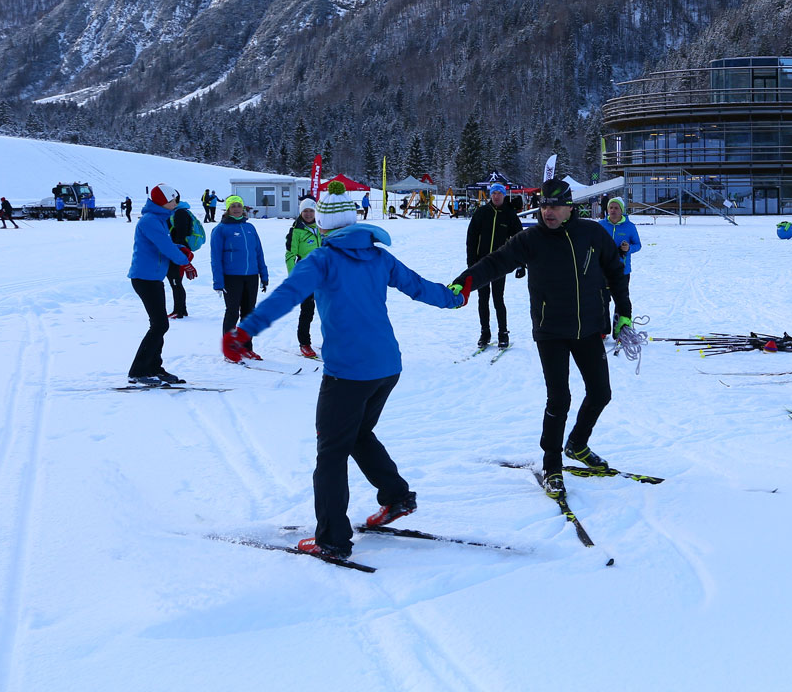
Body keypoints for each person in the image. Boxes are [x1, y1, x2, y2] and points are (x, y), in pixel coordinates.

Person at [222, 184, 465, 560]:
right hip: (387, 367)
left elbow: (286, 296)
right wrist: (453, 297)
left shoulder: (322, 259)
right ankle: (397, 497)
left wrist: (244, 331)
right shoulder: (378, 257)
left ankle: (332, 539)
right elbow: (418, 288)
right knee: (357, 434)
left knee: (332, 451)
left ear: (325, 223)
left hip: (348, 373)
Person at [452, 178, 631, 499]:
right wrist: (465, 282)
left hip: (589, 327)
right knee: (559, 399)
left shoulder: (592, 233)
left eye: (555, 205)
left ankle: (577, 444)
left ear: (569, 207)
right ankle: (552, 465)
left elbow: (616, 272)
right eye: (544, 205)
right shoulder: (530, 239)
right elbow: (495, 262)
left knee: (601, 393)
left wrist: (624, 313)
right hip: (550, 331)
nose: (548, 211)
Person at [126, 185, 196, 384]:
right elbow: (163, 246)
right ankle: (138, 371)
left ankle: (153, 367)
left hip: (154, 278)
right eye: (173, 200)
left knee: (159, 325)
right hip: (144, 278)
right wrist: (185, 262)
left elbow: (165, 245)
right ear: (163, 202)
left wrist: (180, 248)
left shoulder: (159, 219)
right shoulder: (150, 221)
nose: (176, 203)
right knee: (159, 325)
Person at [465, 182, 523, 349]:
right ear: (490, 195)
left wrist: (520, 264)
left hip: (500, 264)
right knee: (483, 299)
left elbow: (519, 240)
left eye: (499, 193)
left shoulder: (509, 214)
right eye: (494, 193)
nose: (496, 196)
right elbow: (472, 239)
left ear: (504, 195)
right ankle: (485, 332)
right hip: (481, 264)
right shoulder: (482, 213)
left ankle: (503, 333)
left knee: (498, 299)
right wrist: (471, 263)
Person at [210, 194, 269, 356]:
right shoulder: (220, 230)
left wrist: (263, 275)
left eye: (239, 206)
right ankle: (230, 349)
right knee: (232, 312)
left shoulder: (250, 228)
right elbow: (215, 258)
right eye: (233, 206)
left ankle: (246, 348)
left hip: (251, 276)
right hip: (231, 277)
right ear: (228, 209)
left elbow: (258, 252)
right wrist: (218, 282)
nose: (236, 209)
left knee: (249, 313)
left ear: (243, 209)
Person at [285, 198, 324, 358]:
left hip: (324, 275)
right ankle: (305, 343)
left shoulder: (322, 228)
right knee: (307, 311)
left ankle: (332, 340)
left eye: (311, 211)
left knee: (329, 310)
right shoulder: (296, 231)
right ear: (301, 213)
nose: (308, 214)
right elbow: (290, 256)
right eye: (305, 211)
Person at [601, 195, 641, 330]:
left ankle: (621, 329)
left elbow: (638, 245)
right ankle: (602, 330)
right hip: (602, 270)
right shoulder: (600, 225)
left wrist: (628, 248)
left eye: (616, 208)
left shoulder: (629, 227)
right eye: (611, 208)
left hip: (622, 271)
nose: (613, 210)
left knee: (621, 301)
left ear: (621, 210)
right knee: (601, 301)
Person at [166, 198, 199, 319]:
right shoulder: (178, 212)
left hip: (178, 251)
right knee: (175, 282)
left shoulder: (180, 213)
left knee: (176, 282)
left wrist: (176, 252)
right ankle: (180, 309)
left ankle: (179, 311)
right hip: (177, 251)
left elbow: (180, 235)